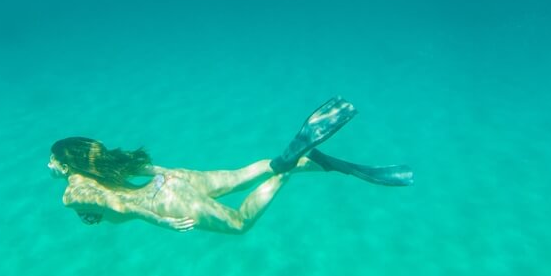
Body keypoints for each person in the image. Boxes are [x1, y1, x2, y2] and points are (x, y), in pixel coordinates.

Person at [48, 97, 413, 234]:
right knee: (240, 177)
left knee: (239, 224)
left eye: (53, 158)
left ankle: (289, 170)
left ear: (66, 163)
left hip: (162, 203)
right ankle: (286, 161)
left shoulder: (73, 192)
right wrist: (173, 176)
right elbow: (148, 169)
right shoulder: (101, 163)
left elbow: (121, 204)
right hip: (170, 181)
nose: (49, 164)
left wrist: (159, 218)